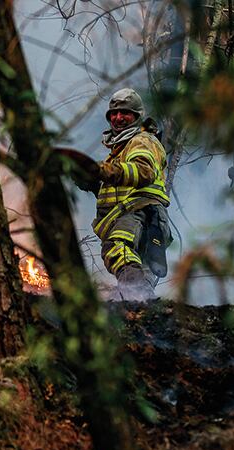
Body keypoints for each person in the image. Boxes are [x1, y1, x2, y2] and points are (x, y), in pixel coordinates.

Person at [90, 88, 172, 301]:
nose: (118, 118)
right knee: (140, 267)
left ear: (137, 116)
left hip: (138, 213)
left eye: (125, 113)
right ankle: (145, 308)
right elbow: (119, 185)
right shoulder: (120, 149)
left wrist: (104, 171)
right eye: (113, 114)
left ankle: (138, 296)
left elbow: (142, 171)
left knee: (117, 248)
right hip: (144, 217)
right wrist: (90, 180)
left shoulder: (142, 140)